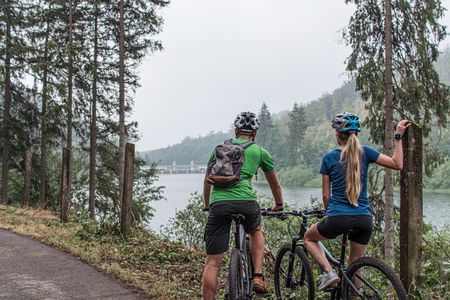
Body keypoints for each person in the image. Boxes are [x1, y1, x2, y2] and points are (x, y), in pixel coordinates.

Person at [304, 112, 410, 291]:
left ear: (337, 134)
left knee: (308, 238)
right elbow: (397, 164)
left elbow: (325, 196)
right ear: (356, 134)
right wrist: (398, 136)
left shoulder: (329, 157)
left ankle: (329, 273)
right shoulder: (366, 152)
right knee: (356, 267)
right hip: (364, 219)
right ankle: (354, 294)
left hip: (337, 218)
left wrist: (329, 213)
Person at [202, 111, 284, 300]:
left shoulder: (219, 150)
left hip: (219, 204)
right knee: (255, 231)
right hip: (246, 203)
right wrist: (279, 204)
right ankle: (257, 276)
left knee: (212, 263)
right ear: (254, 133)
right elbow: (275, 184)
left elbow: (207, 181)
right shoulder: (260, 151)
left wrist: (208, 205)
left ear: (236, 131)